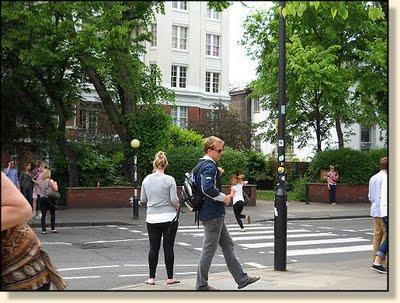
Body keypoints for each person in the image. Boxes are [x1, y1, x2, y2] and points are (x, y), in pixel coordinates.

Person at [195, 136, 260, 291]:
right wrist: (224, 198)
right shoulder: (208, 166)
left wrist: (217, 171)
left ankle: (241, 279)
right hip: (212, 213)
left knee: (227, 244)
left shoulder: (201, 165)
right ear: (209, 150)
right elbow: (207, 188)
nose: (221, 153)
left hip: (212, 213)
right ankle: (201, 285)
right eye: (219, 150)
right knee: (208, 250)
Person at [1, 172, 67, 290]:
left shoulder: (42, 180)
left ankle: (46, 229)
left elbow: (22, 209)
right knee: (49, 216)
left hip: (23, 276)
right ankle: (49, 228)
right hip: (46, 200)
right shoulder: (48, 181)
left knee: (45, 216)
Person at [140, 151, 181, 286]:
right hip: (169, 218)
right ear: (166, 164)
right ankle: (170, 278)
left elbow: (143, 199)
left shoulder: (146, 179)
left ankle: (151, 278)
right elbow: (174, 200)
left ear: (154, 163)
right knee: (168, 248)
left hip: (152, 218)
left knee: (153, 248)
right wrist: (177, 206)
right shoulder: (170, 180)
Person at [368, 157, 387, 260]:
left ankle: (374, 257)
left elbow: (370, 196)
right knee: (386, 235)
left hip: (375, 210)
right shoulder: (387, 177)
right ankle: (380, 259)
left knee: (377, 236)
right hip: (384, 211)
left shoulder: (373, 178)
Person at [39, 169, 59, 234]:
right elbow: (55, 189)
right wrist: (55, 183)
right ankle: (53, 228)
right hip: (49, 199)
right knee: (52, 213)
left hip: (42, 198)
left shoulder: (41, 181)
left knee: (43, 215)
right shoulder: (50, 181)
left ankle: (43, 230)